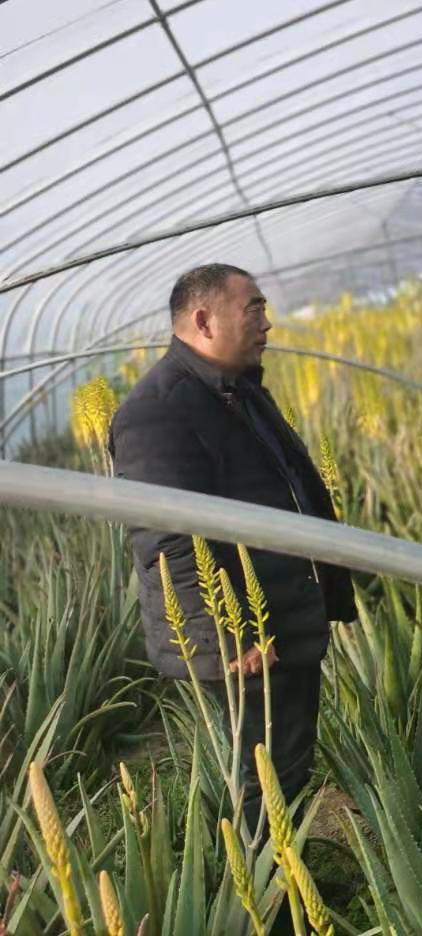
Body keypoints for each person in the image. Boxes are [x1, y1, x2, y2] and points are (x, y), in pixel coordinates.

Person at [110, 263, 356, 834]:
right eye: (254, 309)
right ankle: (264, 881)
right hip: (245, 637)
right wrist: (230, 634)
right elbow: (169, 541)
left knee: (286, 762)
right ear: (204, 320)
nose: (267, 323)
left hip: (280, 612)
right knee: (264, 773)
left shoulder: (236, 389)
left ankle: (282, 870)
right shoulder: (157, 411)